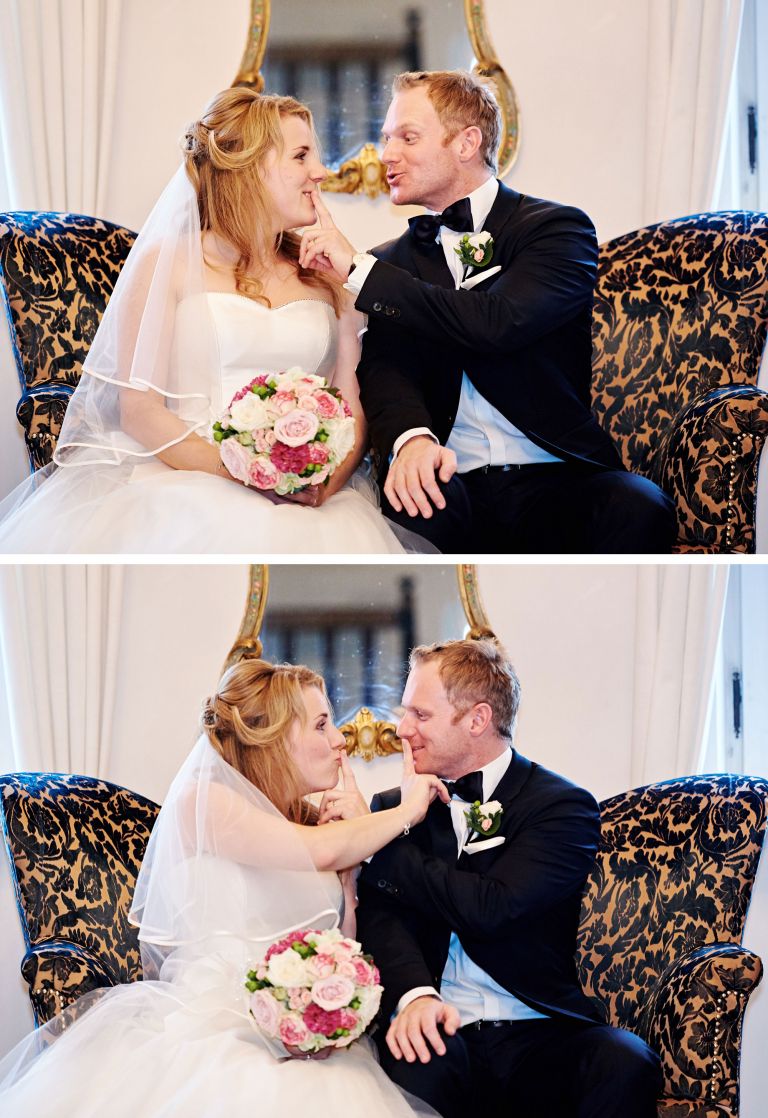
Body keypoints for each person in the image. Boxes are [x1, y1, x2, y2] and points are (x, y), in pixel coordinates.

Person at [0, 658, 449, 1116]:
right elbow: (321, 851)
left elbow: (342, 945)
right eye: (321, 725)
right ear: (274, 739)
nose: (339, 740)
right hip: (211, 1028)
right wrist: (405, 811)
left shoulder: (313, 824)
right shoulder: (205, 802)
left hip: (300, 1035)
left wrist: (349, 883)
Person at [0, 88, 425, 554]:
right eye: (301, 156)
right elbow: (139, 411)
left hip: (314, 500)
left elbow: (350, 398)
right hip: (185, 478)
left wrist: (323, 483)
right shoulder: (168, 264)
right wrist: (247, 475)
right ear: (250, 169)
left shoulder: (328, 275)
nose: (319, 173)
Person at [298, 69, 678, 554]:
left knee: (640, 508)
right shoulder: (394, 261)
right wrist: (411, 440)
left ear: (466, 143)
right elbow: (387, 368)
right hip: (452, 479)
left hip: (559, 476)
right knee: (410, 507)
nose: (387, 154)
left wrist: (359, 270)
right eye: (387, 138)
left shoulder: (557, 229)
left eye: (408, 137)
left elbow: (499, 322)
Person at [355, 636, 663, 1118]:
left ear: (477, 720)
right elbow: (382, 919)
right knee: (412, 1064)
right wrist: (414, 996)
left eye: (420, 714)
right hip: (440, 1026)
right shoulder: (392, 809)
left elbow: (493, 907)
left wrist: (376, 848)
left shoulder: (560, 807)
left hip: (539, 1031)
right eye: (404, 712)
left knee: (625, 1062)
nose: (402, 728)